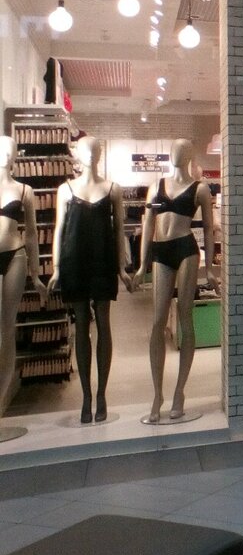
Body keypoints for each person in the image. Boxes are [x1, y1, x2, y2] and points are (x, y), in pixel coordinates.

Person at [132, 139, 219, 422]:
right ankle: (157, 394)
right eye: (174, 149)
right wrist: (141, 264)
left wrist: (210, 270)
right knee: (158, 321)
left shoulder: (200, 189)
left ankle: (180, 391)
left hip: (186, 249)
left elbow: (209, 228)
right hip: (161, 251)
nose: (176, 153)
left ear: (191, 154)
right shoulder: (156, 187)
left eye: (182, 149)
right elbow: (148, 224)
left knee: (184, 315)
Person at [49, 137, 131, 424]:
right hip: (74, 261)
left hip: (103, 261)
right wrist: (56, 268)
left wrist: (122, 268)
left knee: (104, 324)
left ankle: (102, 394)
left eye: (95, 149)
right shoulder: (65, 189)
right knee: (82, 323)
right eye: (86, 149)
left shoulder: (112, 189)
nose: (91, 153)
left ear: (100, 153)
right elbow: (59, 229)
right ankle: (86, 395)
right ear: (77, 154)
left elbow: (119, 230)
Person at [0, 137, 47, 415]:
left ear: (17, 155)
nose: (6, 155)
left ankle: (1, 400)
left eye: (11, 151)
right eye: (2, 150)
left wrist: (36, 274)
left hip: (15, 256)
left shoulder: (24, 190)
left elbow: (31, 234)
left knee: (8, 327)